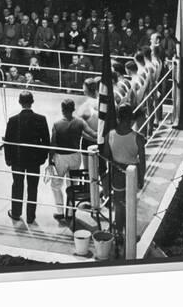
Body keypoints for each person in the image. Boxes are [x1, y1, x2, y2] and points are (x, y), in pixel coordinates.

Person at [103, 103, 146, 249]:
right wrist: (141, 179)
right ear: (130, 117)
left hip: (117, 174)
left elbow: (107, 158)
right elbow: (142, 162)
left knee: (118, 205)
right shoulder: (138, 138)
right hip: (132, 175)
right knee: (130, 204)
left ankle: (118, 233)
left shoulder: (110, 135)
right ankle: (128, 233)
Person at [4, 91, 50, 223]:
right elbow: (46, 141)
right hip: (34, 160)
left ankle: (16, 213)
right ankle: (31, 216)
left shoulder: (13, 120)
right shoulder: (41, 119)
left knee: (17, 186)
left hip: (17, 159)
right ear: (32, 102)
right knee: (32, 187)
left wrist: (8, 159)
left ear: (20, 102)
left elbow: (8, 142)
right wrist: (43, 158)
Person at [49, 99, 97, 220]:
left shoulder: (56, 124)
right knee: (72, 185)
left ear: (62, 110)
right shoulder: (79, 123)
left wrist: (50, 160)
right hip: (75, 156)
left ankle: (60, 211)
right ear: (73, 109)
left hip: (61, 157)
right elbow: (93, 134)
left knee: (56, 185)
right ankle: (70, 213)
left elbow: (53, 144)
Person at [77, 78, 99, 167]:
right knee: (102, 169)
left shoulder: (84, 108)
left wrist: (91, 138)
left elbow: (78, 128)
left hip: (88, 141)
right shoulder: (104, 104)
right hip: (101, 139)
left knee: (88, 170)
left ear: (85, 90)